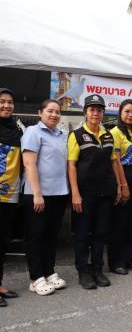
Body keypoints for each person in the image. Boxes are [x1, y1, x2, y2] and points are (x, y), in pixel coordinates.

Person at [68, 94, 121, 289]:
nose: (95, 113)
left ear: (103, 113)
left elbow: (113, 162)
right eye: (92, 109)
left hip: (105, 193)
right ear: (85, 112)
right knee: (82, 234)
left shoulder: (108, 135)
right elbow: (71, 165)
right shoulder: (76, 135)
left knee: (100, 233)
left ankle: (98, 270)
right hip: (84, 194)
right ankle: (84, 272)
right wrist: (75, 193)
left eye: (99, 110)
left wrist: (118, 186)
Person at [21, 99, 69, 296]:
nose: (54, 115)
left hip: (59, 194)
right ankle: (35, 278)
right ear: (40, 113)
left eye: (57, 112)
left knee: (51, 236)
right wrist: (37, 194)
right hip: (38, 195)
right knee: (36, 236)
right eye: (50, 111)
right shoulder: (32, 132)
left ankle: (49, 271)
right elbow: (29, 164)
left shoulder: (62, 134)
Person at [108, 99, 132, 275]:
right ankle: (116, 262)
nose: (130, 115)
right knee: (119, 223)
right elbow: (116, 161)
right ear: (120, 113)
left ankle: (129, 258)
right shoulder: (114, 133)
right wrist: (123, 185)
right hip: (124, 176)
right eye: (127, 111)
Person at [0, 88, 22, 308]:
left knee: (2, 242)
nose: (6, 105)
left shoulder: (16, 129)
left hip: (10, 193)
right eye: (1, 101)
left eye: (9, 102)